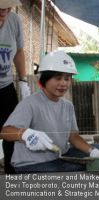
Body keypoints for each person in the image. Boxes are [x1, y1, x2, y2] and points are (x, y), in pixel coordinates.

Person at [0, 50, 99, 173]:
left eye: (67, 79)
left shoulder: (67, 106)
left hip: (60, 155)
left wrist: (93, 152)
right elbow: (5, 132)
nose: (63, 83)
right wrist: (24, 134)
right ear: (44, 79)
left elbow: (73, 136)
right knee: (79, 169)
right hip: (32, 164)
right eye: (58, 78)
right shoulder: (30, 103)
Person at [0, 0, 31, 174]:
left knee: (11, 132)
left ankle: (11, 174)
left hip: (5, 85)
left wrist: (23, 81)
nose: (5, 10)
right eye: (0, 7)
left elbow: (19, 51)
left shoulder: (14, 21)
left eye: (8, 6)